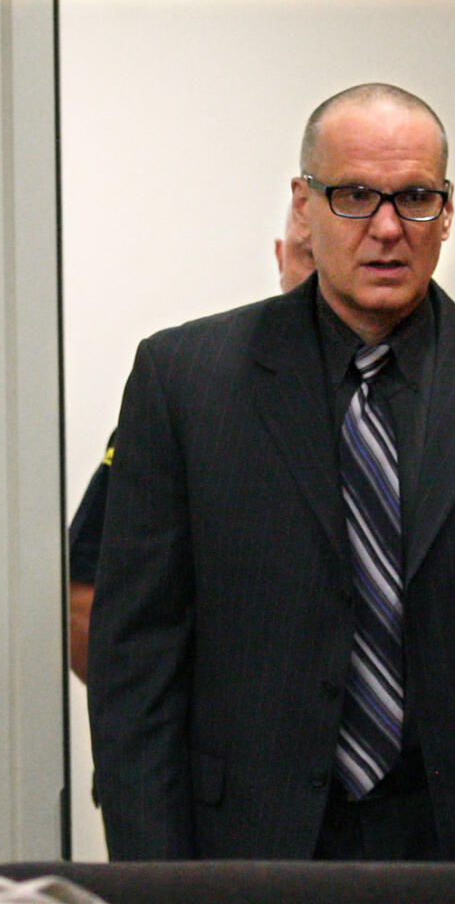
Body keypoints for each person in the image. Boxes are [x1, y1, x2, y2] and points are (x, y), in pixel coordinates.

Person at [88, 83, 455, 862]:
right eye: (355, 196)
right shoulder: (186, 382)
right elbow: (136, 668)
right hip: (252, 847)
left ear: (447, 211)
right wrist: (155, 876)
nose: (388, 228)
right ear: (304, 205)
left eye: (415, 197)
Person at [67, 206, 315, 684]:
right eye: (308, 255)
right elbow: (84, 595)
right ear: (280, 258)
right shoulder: (190, 395)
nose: (321, 279)